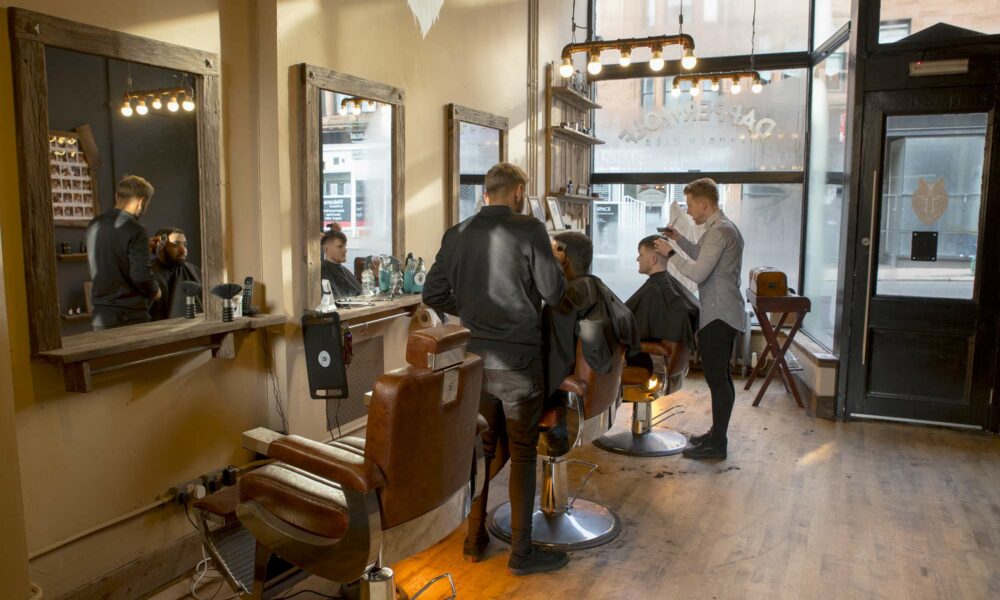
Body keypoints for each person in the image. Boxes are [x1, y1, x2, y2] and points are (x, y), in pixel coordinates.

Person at [422, 162, 568, 575]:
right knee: (522, 454)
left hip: (475, 362)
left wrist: (470, 309)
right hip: (519, 362)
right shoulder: (530, 229)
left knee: (483, 451)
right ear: (519, 191)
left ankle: (473, 540)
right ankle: (521, 553)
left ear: (486, 192)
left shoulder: (456, 234)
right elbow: (555, 293)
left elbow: (432, 292)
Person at [654, 178, 744, 460]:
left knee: (718, 380)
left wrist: (669, 254)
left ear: (704, 204)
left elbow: (697, 273)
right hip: (723, 311)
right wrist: (678, 240)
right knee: (721, 378)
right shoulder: (721, 228)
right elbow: (701, 255)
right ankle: (717, 435)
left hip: (719, 314)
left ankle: (718, 444)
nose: (689, 211)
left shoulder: (719, 232)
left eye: (691, 205)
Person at [85, 175, 161, 330]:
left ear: (116, 196)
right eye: (147, 203)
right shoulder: (136, 229)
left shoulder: (94, 224)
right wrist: (155, 291)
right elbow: (141, 276)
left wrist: (143, 246)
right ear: (141, 201)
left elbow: (108, 257)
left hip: (101, 315)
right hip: (129, 316)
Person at [626, 235, 700, 369]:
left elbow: (625, 323)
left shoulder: (654, 291)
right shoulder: (671, 289)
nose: (637, 259)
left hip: (644, 362)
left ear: (653, 260)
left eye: (641, 254)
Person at [148, 227, 202, 321]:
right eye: (175, 245)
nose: (183, 251)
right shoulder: (147, 275)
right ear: (161, 247)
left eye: (185, 245)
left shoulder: (194, 271)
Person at [320, 230, 363, 298]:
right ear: (327, 249)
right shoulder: (323, 272)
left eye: (345, 246)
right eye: (340, 247)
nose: (345, 250)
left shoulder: (344, 270)